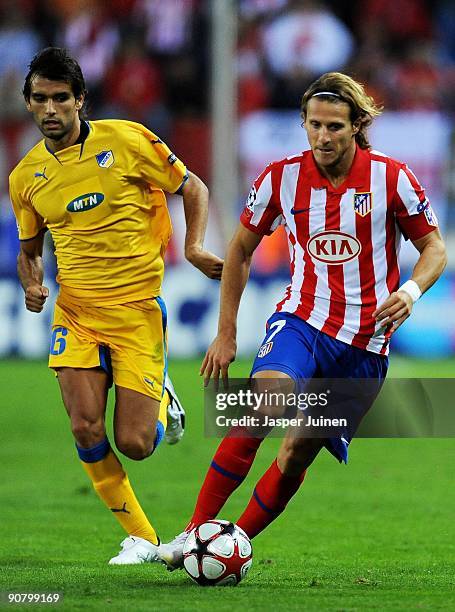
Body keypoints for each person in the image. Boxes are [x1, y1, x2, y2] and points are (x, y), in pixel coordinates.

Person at [158, 71, 447, 568]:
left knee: (296, 453)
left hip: (365, 345)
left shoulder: (391, 178)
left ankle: (234, 545)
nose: (323, 137)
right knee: (263, 408)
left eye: (335, 127)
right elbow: (242, 248)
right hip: (302, 321)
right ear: (304, 124)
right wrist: (226, 332)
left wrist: (411, 289)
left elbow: (434, 248)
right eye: (314, 125)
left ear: (357, 125)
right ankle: (192, 536)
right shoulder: (280, 178)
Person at [9, 47, 223, 565]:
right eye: (40, 99)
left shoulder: (126, 140)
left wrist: (192, 247)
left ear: (81, 99)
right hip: (76, 313)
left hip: (136, 310)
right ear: (29, 104)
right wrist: (31, 285)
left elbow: (191, 185)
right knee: (84, 426)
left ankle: (161, 400)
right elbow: (29, 252)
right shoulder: (25, 178)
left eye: (62, 98)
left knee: (135, 443)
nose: (51, 109)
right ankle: (146, 539)